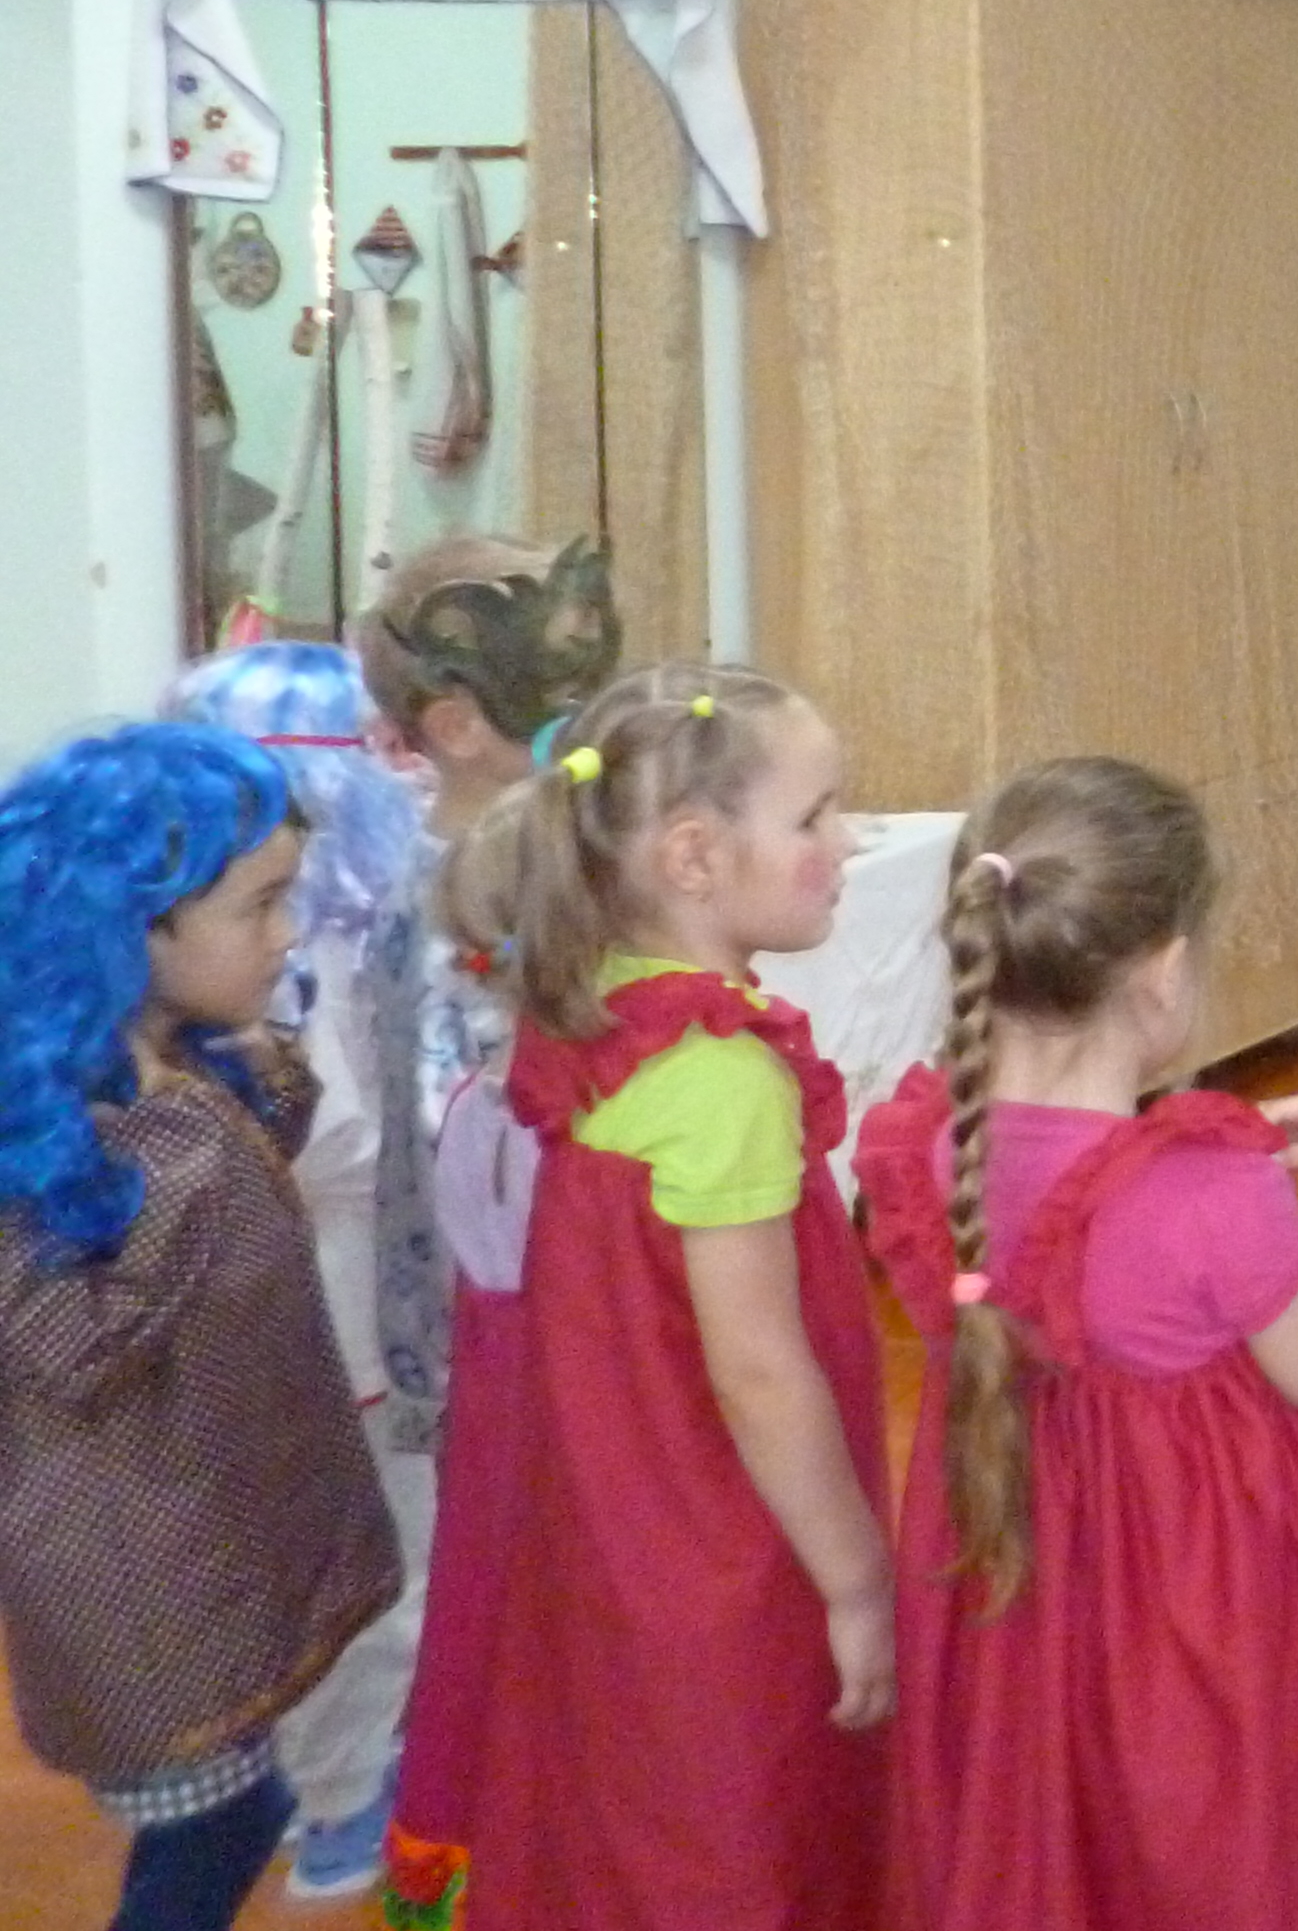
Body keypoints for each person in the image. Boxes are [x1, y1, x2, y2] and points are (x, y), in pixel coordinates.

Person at [857, 757, 1298, 1930]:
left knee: (1055, 1824)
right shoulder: (1208, 1191)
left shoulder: (931, 1154)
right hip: (1194, 1627)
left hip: (1012, 1591)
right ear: (1165, 969)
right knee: (1202, 1845)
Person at [454, 662, 894, 1931]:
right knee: (741, 1827)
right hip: (728, 1544)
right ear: (694, 856)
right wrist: (856, 1578)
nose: (847, 841)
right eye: (813, 816)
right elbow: (758, 1373)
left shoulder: (594, 1011)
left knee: (630, 1810)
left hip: (615, 1523)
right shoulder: (721, 1078)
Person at [0, 723, 405, 1931]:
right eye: (260, 906)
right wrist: (188, 1141)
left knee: (232, 1812)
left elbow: (237, 1187)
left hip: (196, 1555)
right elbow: (68, 1341)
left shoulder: (154, 1079)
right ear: (129, 930)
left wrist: (241, 1082)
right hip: (135, 1595)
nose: (286, 936)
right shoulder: (56, 1129)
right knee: (219, 1824)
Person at [346, 535, 621, 1931]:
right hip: (496, 1322)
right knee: (499, 1590)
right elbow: (466, 1148)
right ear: (456, 723)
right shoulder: (447, 899)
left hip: (541, 1308)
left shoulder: (540, 861)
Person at [154, 644, 443, 1905]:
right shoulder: (309, 948)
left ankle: (314, 1781)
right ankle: (344, 1804)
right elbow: (354, 1142)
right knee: (372, 1559)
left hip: (273, 1306)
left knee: (293, 1561)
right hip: (337, 1303)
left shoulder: (208, 945)